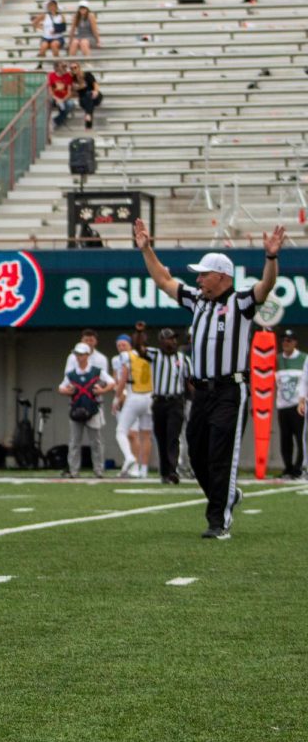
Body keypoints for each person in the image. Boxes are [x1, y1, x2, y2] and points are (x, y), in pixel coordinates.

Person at [136, 219, 284, 538]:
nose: (199, 278)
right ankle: (226, 497)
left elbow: (266, 287)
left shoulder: (240, 302)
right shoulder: (197, 301)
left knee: (220, 453)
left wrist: (271, 258)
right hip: (201, 392)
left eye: (204, 273)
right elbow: (164, 280)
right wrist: (146, 249)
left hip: (231, 388)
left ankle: (218, 521)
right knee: (197, 449)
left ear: (222, 276)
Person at [59, 342, 115, 478]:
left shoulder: (97, 371)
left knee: (96, 442)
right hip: (76, 409)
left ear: (87, 355)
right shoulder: (71, 374)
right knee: (74, 442)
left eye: (81, 355)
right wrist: (67, 391)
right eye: (77, 355)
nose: (79, 357)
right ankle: (73, 470)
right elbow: (61, 387)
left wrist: (102, 390)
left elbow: (112, 382)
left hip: (93, 410)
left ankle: (99, 470)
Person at [144, 328, 192, 484]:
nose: (173, 341)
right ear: (162, 341)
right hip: (159, 402)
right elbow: (139, 348)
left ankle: (172, 471)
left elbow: (190, 382)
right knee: (161, 437)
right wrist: (139, 332)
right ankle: (164, 472)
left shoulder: (183, 359)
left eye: (174, 338)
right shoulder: (155, 355)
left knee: (173, 436)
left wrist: (197, 400)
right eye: (169, 338)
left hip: (176, 402)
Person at [113, 326, 154, 479]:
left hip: (134, 396)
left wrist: (117, 398)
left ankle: (129, 457)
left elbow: (123, 379)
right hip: (149, 397)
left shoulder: (127, 357)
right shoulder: (152, 354)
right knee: (146, 435)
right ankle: (143, 470)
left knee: (121, 431)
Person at [275, 329, 305, 479]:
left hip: (298, 406)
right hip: (282, 406)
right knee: (285, 439)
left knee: (301, 438)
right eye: (283, 340)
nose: (285, 343)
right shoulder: (277, 359)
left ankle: (299, 468)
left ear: (295, 342)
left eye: (289, 340)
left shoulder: (304, 359)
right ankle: (288, 468)